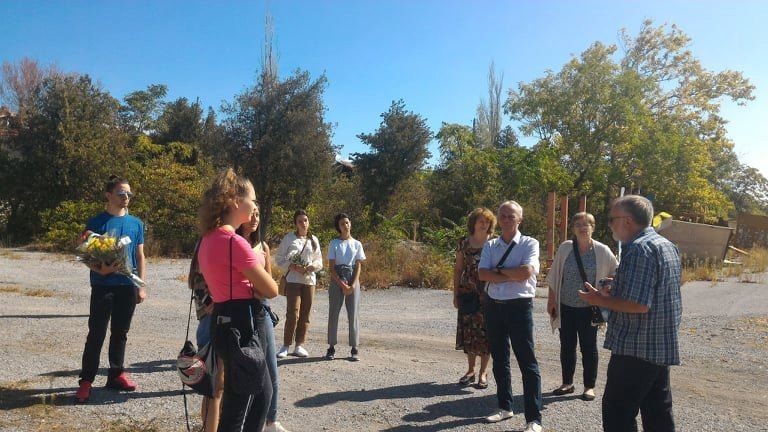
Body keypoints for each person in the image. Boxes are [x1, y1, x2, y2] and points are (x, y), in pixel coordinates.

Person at [578, 195, 682, 432]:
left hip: (635, 347)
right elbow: (657, 289)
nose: (610, 225)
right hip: (658, 345)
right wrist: (615, 285)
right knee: (658, 412)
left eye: (612, 219)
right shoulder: (665, 245)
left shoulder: (638, 249)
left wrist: (598, 299)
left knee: (618, 413)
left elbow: (638, 305)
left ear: (627, 221)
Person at [197, 168, 278, 431]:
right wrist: (257, 288)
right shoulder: (234, 242)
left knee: (260, 393)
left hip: (223, 320)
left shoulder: (208, 239)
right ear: (234, 200)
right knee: (238, 405)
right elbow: (272, 289)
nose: (255, 206)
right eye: (252, 200)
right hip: (242, 324)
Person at [75, 175, 147, 403]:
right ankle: (86, 381)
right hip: (102, 285)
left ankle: (116, 375)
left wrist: (140, 285)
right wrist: (100, 269)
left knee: (120, 333)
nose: (126, 197)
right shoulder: (96, 222)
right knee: (96, 333)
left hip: (127, 286)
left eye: (129, 193)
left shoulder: (136, 223)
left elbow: (139, 255)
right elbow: (83, 254)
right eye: (121, 193)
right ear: (108, 195)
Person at [478, 201, 543, 432]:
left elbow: (526, 272)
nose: (506, 219)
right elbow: (482, 274)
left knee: (527, 361)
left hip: (519, 306)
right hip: (494, 306)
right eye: (503, 216)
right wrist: (511, 274)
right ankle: (504, 406)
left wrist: (497, 272)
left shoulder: (530, 243)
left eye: (511, 216)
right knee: (500, 359)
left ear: (519, 219)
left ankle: (534, 419)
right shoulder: (491, 244)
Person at [546, 212, 618, 401]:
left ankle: (589, 386)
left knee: (588, 347)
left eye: (586, 224)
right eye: (578, 224)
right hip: (565, 306)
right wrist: (551, 301)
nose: (582, 227)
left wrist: (606, 288)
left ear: (593, 227)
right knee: (567, 346)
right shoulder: (565, 248)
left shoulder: (602, 251)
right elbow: (554, 276)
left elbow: (616, 272)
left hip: (590, 308)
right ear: (573, 228)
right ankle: (567, 383)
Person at [237, 208, 291, 432]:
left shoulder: (263, 247)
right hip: (239, 309)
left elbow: (269, 282)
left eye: (258, 215)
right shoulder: (234, 244)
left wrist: (260, 291)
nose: (254, 219)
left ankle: (271, 421)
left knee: (271, 367)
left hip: (261, 307)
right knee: (245, 370)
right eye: (250, 214)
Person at [452, 208, 496, 389]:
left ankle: (483, 373)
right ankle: (470, 371)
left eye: (487, 221)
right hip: (468, 293)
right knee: (469, 332)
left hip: (489, 294)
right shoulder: (463, 242)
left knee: (487, 334)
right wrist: (455, 293)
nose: (484, 224)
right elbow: (458, 269)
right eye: (480, 221)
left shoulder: (495, 243)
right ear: (473, 223)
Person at [275, 210, 323, 358]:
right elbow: (279, 258)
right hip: (293, 280)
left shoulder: (313, 239)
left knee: (305, 313)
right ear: (296, 223)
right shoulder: (289, 238)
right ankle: (285, 345)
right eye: (300, 221)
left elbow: (319, 260)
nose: (303, 223)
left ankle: (299, 345)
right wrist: (291, 265)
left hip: (309, 281)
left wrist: (312, 266)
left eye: (305, 220)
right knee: (292, 313)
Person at [324, 213, 366, 362]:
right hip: (337, 278)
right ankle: (331, 347)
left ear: (350, 224)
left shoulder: (357, 244)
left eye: (347, 223)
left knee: (353, 314)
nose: (345, 226)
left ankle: (354, 347)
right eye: (342, 224)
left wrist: (352, 285)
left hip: (352, 276)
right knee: (333, 313)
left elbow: (358, 265)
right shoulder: (334, 243)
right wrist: (342, 284)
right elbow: (331, 267)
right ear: (339, 227)